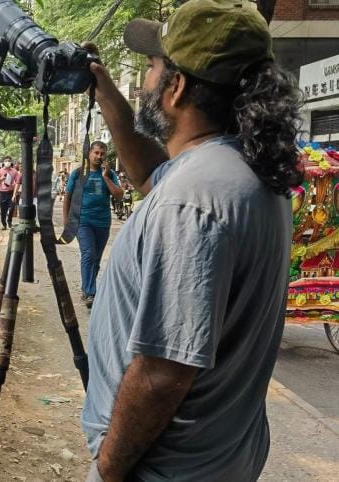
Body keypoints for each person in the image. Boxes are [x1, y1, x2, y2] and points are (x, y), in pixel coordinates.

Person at [80, 2, 303, 481]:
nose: (144, 80)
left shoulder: (192, 201)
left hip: (164, 470)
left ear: (176, 86)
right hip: (217, 460)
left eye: (150, 66)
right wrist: (106, 93)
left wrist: (108, 469)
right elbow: (150, 175)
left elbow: (162, 374)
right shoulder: (242, 169)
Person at [62, 141, 123, 308]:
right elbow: (67, 197)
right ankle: (90, 292)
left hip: (103, 222)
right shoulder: (78, 173)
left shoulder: (110, 174)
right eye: (96, 153)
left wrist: (106, 177)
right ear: (89, 153)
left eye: (102, 154)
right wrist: (66, 221)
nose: (99, 156)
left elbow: (119, 195)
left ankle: (86, 288)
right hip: (83, 221)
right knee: (88, 254)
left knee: (95, 259)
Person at [0, 157, 20, 229]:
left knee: (12, 208)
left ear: (11, 162)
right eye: (6, 161)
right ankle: (4, 224)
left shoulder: (14, 171)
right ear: (3, 162)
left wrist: (15, 190)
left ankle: (9, 221)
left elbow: (18, 181)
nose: (7, 162)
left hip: (11, 193)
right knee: (3, 210)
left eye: (9, 161)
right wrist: (1, 179)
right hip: (2, 193)